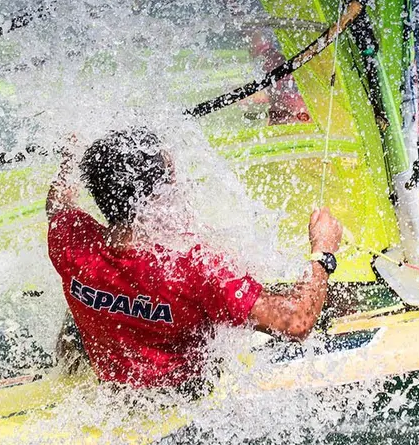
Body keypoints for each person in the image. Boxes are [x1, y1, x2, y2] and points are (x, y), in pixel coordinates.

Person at [46, 128, 342, 390]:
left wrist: (70, 157)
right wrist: (323, 251)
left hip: (113, 389)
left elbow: (56, 203)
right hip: (184, 397)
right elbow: (295, 322)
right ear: (156, 196)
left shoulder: (70, 240)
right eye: (171, 178)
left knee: (74, 320)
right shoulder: (193, 266)